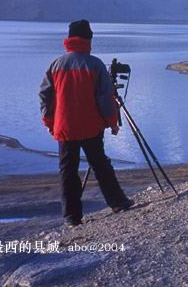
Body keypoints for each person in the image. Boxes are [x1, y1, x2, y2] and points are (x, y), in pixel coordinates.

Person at [39, 20, 133, 227]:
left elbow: (45, 96)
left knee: (67, 170)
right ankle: (118, 202)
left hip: (64, 128)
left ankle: (71, 217)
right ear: (88, 39)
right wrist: (112, 123)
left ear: (69, 39)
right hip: (91, 127)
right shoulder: (95, 64)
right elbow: (105, 99)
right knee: (100, 165)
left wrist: (49, 122)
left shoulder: (56, 65)